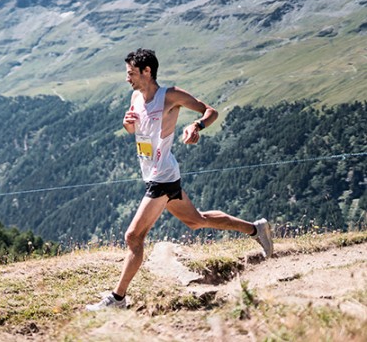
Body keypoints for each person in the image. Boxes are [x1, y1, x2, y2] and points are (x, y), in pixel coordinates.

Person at [86, 48, 273, 311]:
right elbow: (132, 128)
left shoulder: (170, 96)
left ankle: (118, 298)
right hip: (154, 173)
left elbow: (210, 111)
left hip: (162, 177)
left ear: (146, 71)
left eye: (131, 73)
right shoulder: (135, 96)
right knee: (196, 221)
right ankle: (256, 229)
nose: (127, 78)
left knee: (133, 237)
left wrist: (196, 126)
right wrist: (127, 123)